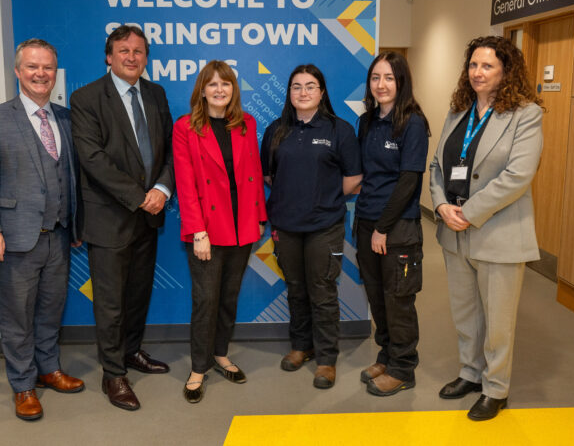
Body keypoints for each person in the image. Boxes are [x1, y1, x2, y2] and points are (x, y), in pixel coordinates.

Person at [0, 39, 84, 421]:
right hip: (14, 238)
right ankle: (23, 385)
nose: (40, 74)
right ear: (17, 71)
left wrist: (76, 224)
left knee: (51, 311)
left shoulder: (65, 119)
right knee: (17, 316)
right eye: (32, 67)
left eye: (47, 68)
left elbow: (71, 177)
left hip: (59, 235)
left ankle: (49, 370)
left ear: (55, 73)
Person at [430, 36, 543, 421]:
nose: (477, 73)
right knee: (466, 314)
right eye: (473, 65)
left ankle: (496, 388)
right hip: (454, 229)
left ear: (506, 71)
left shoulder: (526, 114)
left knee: (497, 321)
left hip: (498, 232)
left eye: (488, 66)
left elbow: (518, 175)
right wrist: (442, 205)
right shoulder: (458, 110)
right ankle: (470, 373)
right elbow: (437, 167)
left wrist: (469, 211)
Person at [70, 25, 175, 411]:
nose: (132, 57)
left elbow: (167, 150)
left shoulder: (156, 93)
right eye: (123, 50)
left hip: (149, 215)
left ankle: (131, 353)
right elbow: (93, 159)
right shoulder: (86, 98)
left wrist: (161, 190)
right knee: (111, 303)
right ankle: (113, 374)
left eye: (139, 51)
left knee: (137, 296)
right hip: (110, 217)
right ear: (108, 57)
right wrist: (139, 197)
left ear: (146, 57)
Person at [261, 64, 361, 389]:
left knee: (322, 291)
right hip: (286, 225)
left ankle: (327, 359)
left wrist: (323, 198)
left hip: (324, 225)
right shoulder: (276, 130)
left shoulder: (339, 130)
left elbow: (353, 179)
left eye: (310, 86)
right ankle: (301, 346)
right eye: (296, 87)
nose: (303, 93)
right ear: (289, 93)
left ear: (321, 92)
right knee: (296, 288)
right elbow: (268, 176)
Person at [172, 61, 267, 403]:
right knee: (206, 300)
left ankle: (221, 354)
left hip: (242, 226)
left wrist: (258, 215)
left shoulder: (246, 123)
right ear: (202, 90)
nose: (219, 90)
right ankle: (199, 367)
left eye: (225, 84)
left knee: (228, 297)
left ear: (233, 89)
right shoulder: (185, 128)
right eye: (211, 84)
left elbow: (253, 172)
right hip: (207, 231)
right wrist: (197, 231)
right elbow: (185, 183)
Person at [353, 52, 430, 397]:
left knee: (398, 299)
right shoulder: (367, 121)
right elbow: (364, 174)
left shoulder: (412, 122)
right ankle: (386, 355)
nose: (381, 85)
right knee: (376, 295)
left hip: (396, 228)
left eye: (389, 78)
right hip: (366, 221)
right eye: (375, 78)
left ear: (401, 82)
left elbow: (408, 181)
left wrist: (383, 227)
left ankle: (403, 368)